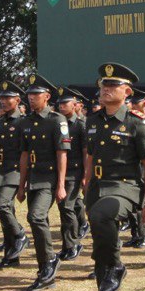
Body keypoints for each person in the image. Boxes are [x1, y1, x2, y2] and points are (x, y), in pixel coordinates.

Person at [82, 63, 145, 291]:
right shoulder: (92, 120)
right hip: (97, 188)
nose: (105, 89)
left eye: (112, 86)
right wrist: (87, 184)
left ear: (127, 91)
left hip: (124, 188)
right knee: (100, 250)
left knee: (103, 217)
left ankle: (117, 266)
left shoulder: (137, 124)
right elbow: (89, 156)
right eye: (103, 85)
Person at [16, 74, 70, 291]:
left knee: (35, 216)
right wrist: (21, 185)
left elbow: (61, 154)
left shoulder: (57, 120)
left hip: (49, 178)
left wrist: (61, 184)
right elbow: (24, 155)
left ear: (47, 96)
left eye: (36, 94)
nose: (31, 98)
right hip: (34, 179)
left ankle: (49, 261)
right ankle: (45, 270)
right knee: (38, 221)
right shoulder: (25, 122)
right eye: (29, 94)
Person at [0, 81, 30, 268]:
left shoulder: (24, 122)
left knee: (1, 205)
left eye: (8, 98)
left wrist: (25, 179)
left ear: (18, 100)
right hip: (2, 171)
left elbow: (26, 152)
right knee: (7, 212)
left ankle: (20, 235)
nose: (3, 101)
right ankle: (11, 256)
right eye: (2, 98)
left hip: (16, 170)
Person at [54, 87, 87, 262]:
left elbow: (85, 151)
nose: (61, 106)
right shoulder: (57, 123)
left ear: (74, 105)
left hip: (75, 172)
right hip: (60, 172)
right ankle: (68, 245)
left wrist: (85, 174)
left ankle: (73, 244)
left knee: (67, 207)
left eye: (65, 103)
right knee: (64, 208)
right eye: (59, 103)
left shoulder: (81, 125)